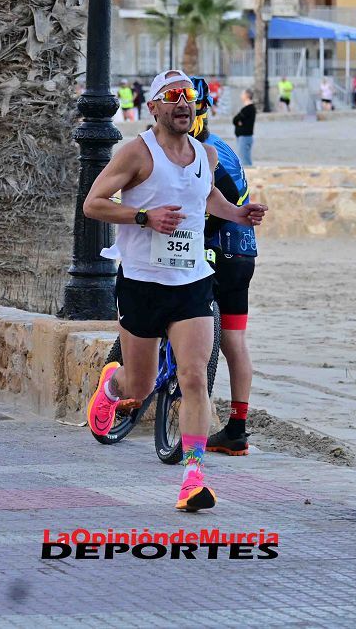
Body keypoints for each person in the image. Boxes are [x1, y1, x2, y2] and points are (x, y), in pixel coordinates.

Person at [83, 69, 267, 512]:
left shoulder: (206, 154)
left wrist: (239, 215)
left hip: (192, 281)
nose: (182, 102)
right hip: (142, 283)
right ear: (155, 107)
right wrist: (144, 217)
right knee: (139, 386)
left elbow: (205, 199)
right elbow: (93, 203)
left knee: (192, 376)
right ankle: (112, 387)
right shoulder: (136, 153)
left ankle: (193, 477)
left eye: (188, 96)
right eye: (172, 96)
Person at [189, 76, 259, 456]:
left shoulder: (205, 150)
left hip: (218, 250)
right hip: (245, 253)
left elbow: (224, 200)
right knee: (235, 340)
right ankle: (237, 427)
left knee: (187, 320)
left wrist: (198, 234)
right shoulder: (223, 147)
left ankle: (189, 409)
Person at [232, 88, 256, 167]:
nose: (241, 96)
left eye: (242, 94)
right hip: (242, 136)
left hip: (245, 137)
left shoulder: (248, 108)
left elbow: (236, 119)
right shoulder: (246, 108)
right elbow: (236, 121)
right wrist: (239, 122)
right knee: (243, 158)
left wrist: (239, 122)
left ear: (246, 96)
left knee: (244, 160)